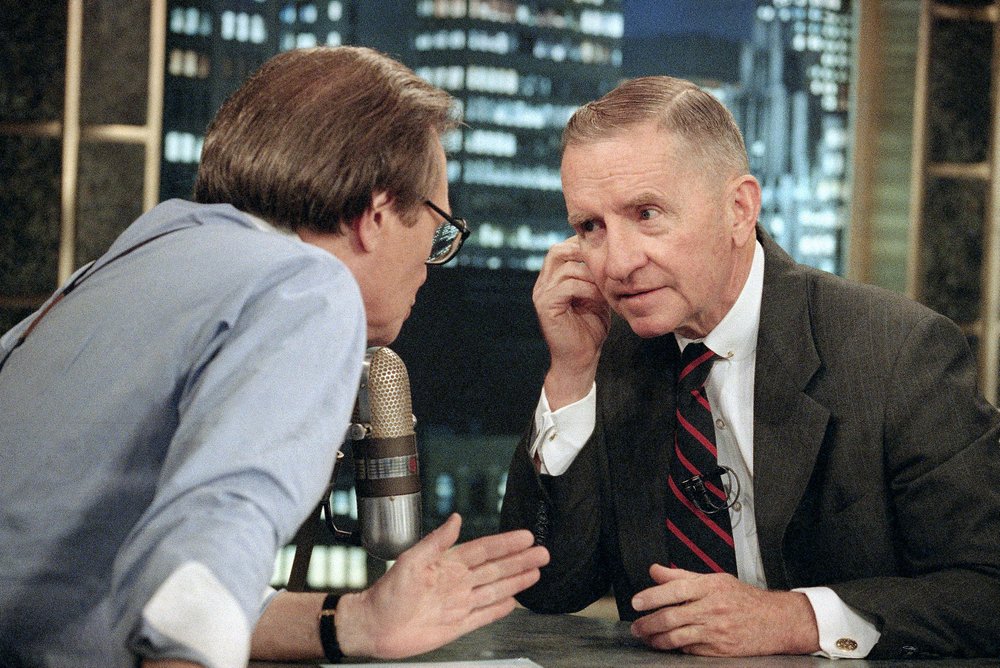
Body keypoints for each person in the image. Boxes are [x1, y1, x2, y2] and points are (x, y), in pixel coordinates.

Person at [0, 46, 548, 668]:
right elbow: (199, 571)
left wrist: (359, 621)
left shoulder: (145, 251)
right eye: (438, 226)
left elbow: (122, 585)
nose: (431, 259)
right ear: (375, 215)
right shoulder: (309, 288)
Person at [499, 75, 1000, 660]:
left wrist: (796, 619)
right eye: (591, 227)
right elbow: (549, 588)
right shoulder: (604, 352)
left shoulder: (896, 352)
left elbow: (986, 587)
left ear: (739, 209)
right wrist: (571, 375)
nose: (618, 262)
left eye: (647, 213)